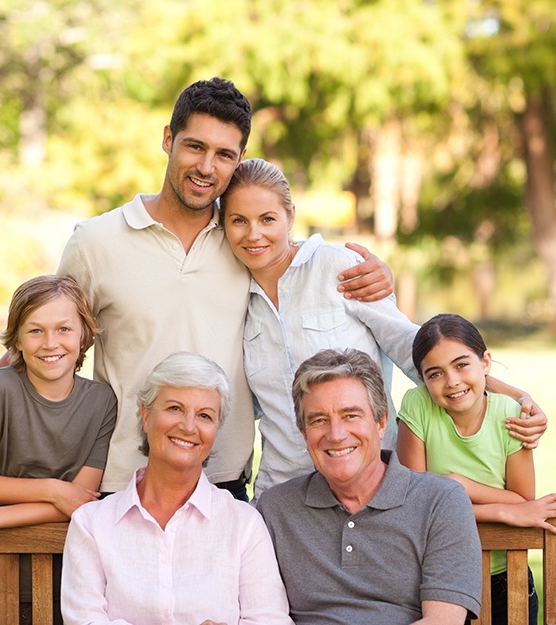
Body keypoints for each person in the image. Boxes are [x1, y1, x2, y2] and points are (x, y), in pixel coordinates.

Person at [0, 77, 393, 501]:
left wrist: (374, 274)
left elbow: (298, 275)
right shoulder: (96, 242)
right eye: (195, 146)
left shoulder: (243, 240)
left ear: (239, 160)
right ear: (168, 140)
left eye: (223, 154)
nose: (206, 166)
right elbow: (45, 330)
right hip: (123, 477)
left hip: (224, 480)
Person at [219, 157, 548, 499]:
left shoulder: (339, 268)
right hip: (286, 492)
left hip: (370, 483)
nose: (253, 234)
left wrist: (517, 397)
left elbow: (416, 353)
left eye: (267, 219)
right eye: (238, 221)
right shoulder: (233, 297)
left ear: (290, 216)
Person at [61, 351, 294, 625]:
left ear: (216, 429)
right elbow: (84, 621)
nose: (188, 426)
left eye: (205, 416)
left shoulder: (244, 524)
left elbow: (270, 620)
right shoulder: (92, 524)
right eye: (174, 408)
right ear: (146, 416)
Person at [257, 347, 482, 625]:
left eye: (351, 415)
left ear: (381, 422)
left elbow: (443, 621)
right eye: (319, 420)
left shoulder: (440, 501)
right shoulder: (276, 508)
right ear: (304, 432)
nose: (336, 435)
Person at [0, 275, 117, 625]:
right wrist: (54, 490)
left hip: (67, 582)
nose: (50, 343)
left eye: (64, 329)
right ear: (17, 340)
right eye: (35, 331)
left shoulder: (102, 402)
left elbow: (80, 504)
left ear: (84, 334)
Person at [397, 313, 556, 625]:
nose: (452, 381)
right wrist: (499, 510)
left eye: (461, 365)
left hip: (505, 579)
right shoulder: (417, 405)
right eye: (435, 374)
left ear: (485, 362)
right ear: (422, 379)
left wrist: (456, 486)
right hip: (436, 580)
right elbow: (415, 506)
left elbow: (524, 503)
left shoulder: (512, 415)